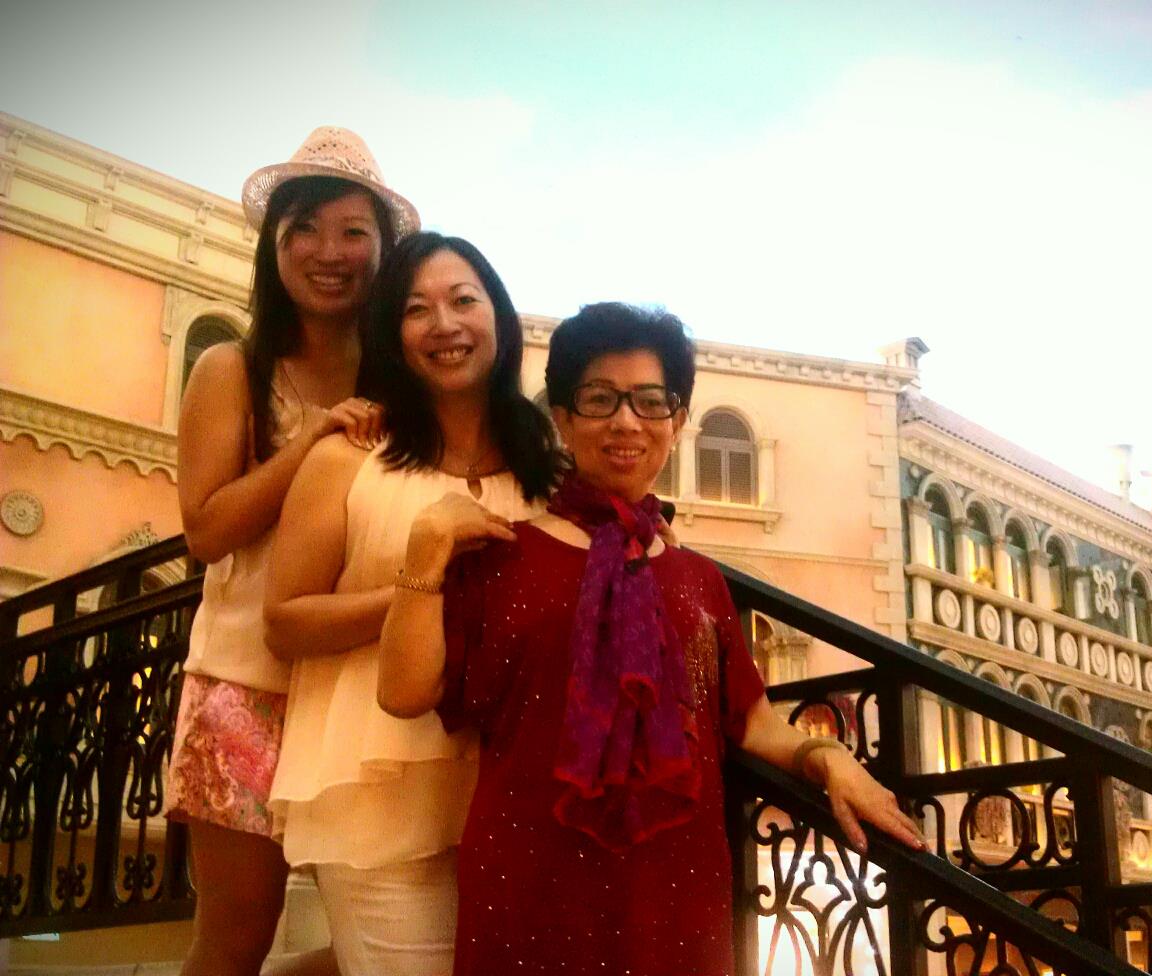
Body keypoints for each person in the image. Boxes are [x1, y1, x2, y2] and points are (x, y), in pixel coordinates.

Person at [376, 302, 925, 975]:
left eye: (650, 401)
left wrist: (827, 758)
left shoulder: (699, 579)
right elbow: (404, 693)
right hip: (531, 881)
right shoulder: (499, 556)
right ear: (563, 418)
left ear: (677, 421)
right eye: (599, 399)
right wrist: (425, 551)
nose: (626, 421)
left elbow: (752, 723)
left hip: (676, 888)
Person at [262, 232, 562, 975]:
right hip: (379, 797)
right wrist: (418, 588)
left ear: (498, 315)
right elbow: (285, 620)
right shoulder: (347, 457)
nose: (444, 324)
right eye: (416, 309)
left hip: (516, 794)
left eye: (463, 300)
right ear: (390, 333)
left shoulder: (548, 468)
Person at [165, 126, 415, 976]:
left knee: (390, 940)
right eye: (303, 228)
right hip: (245, 687)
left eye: (353, 231)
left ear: (383, 251)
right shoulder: (232, 368)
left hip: (361, 690)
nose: (328, 252)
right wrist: (311, 440)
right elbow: (206, 530)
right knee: (236, 936)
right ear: (273, 247)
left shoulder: (403, 384)